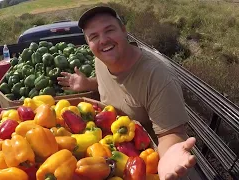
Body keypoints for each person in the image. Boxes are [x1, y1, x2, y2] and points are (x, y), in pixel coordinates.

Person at [57, 6, 197, 180]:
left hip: (151, 166)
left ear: (124, 30)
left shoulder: (157, 76)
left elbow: (171, 133)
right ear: (88, 43)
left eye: (109, 30)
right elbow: (108, 83)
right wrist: (87, 83)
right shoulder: (101, 60)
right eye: (94, 36)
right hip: (119, 152)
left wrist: (168, 159)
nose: (103, 40)